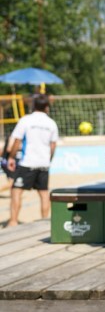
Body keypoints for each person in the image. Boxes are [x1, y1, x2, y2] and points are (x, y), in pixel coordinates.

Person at [4, 94, 59, 228]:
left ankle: (13, 222)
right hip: (44, 163)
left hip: (28, 162)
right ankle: (45, 221)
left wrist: (11, 157)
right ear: (47, 107)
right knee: (44, 193)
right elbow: (53, 146)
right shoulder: (51, 123)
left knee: (16, 190)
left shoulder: (26, 120)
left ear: (33, 106)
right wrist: (48, 160)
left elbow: (17, 140)